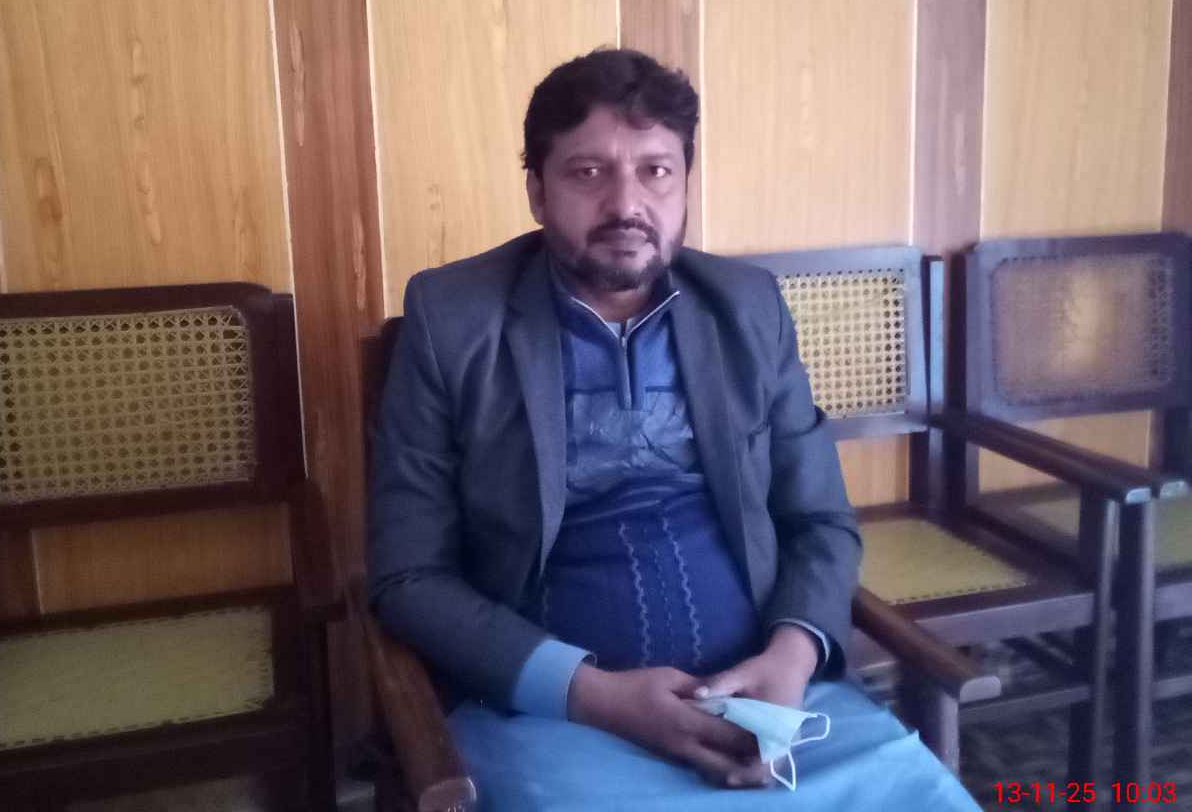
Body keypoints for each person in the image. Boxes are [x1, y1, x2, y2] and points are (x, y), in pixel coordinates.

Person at [369, 48, 980, 809]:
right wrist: (593, 694)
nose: (626, 203)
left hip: (770, 704)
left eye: (656, 170)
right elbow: (408, 576)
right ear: (537, 191)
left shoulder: (747, 308)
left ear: (685, 181)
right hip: (552, 717)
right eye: (588, 172)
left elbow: (820, 521)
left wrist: (791, 660)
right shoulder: (453, 320)